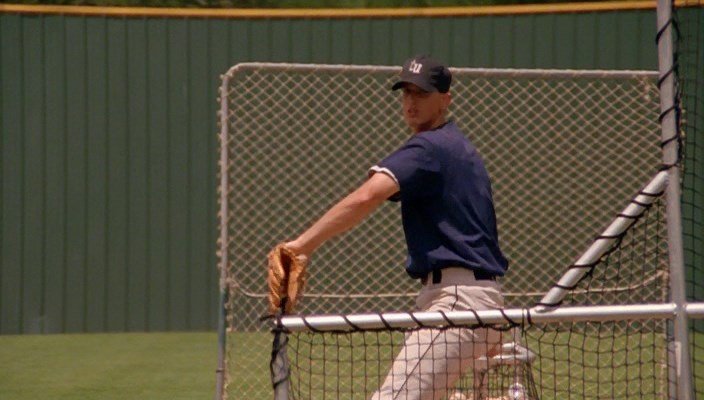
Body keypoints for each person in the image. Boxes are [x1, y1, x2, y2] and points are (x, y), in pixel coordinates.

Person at [282, 55, 509, 400]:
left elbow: (367, 196)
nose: (410, 102)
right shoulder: (459, 147)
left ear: (445, 99)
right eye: (406, 92)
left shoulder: (431, 146)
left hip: (458, 302)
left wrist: (301, 246)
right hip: (469, 297)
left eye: (421, 93)